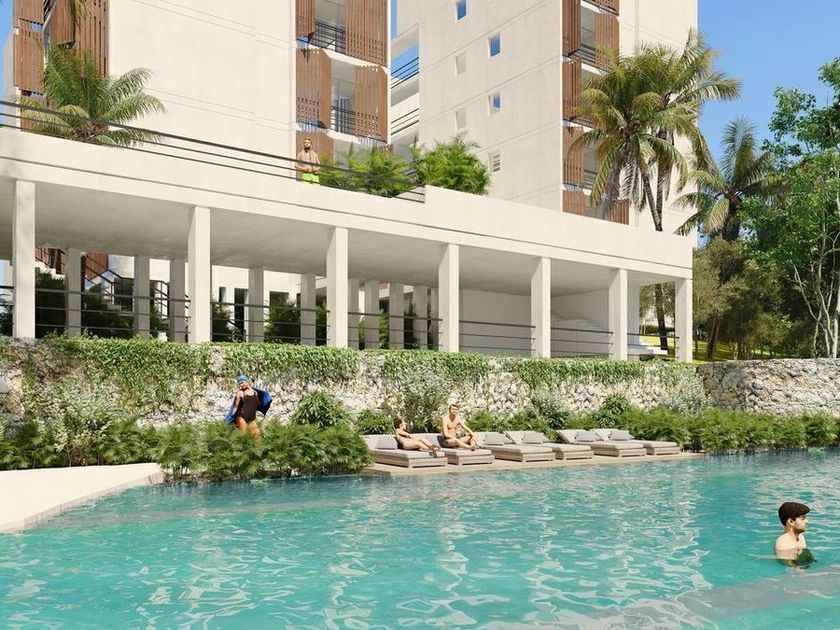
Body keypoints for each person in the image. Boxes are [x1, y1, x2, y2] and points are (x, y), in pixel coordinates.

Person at [225, 375, 272, 441]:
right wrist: (231, 417)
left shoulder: (255, 392)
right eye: (239, 383)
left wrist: (265, 401)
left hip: (251, 418)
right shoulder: (240, 393)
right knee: (244, 436)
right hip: (241, 417)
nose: (241, 385)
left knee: (258, 439)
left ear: (247, 381)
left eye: (242, 382)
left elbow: (257, 403)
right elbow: (235, 407)